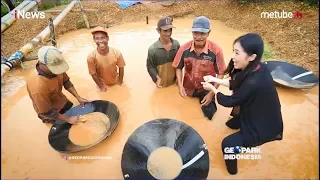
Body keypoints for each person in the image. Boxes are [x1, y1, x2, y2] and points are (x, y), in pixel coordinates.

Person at [201, 33, 284, 175]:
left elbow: (229, 101)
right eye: (233, 51)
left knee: (228, 145)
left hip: (264, 126)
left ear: (252, 57)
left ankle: (232, 172)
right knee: (230, 124)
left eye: (237, 53)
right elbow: (236, 83)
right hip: (256, 110)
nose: (232, 56)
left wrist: (213, 89)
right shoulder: (257, 67)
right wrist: (215, 79)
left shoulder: (254, 81)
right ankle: (240, 127)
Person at [172, 16, 226, 120]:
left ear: (208, 33)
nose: (199, 37)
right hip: (188, 88)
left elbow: (221, 73)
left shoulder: (216, 50)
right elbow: (178, 68)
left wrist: (211, 93)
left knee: (208, 115)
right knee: (180, 112)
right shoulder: (183, 49)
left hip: (206, 89)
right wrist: (180, 86)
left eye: (202, 33)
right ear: (192, 32)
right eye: (196, 33)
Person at [26, 46, 90, 124]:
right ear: (42, 64)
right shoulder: (38, 87)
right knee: (64, 128)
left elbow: (66, 82)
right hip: (48, 112)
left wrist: (78, 97)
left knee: (81, 119)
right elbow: (46, 112)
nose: (58, 71)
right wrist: (68, 119)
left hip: (61, 100)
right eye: (54, 68)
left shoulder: (57, 67)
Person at [87, 26, 126, 92]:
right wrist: (101, 87)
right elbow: (93, 74)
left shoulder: (117, 53)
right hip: (102, 84)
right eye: (97, 38)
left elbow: (121, 68)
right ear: (94, 40)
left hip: (116, 81)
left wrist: (120, 82)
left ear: (107, 38)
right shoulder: (91, 57)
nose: (100, 41)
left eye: (103, 38)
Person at [147, 16, 180, 88]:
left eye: (170, 30)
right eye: (165, 31)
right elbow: (150, 66)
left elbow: (179, 63)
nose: (168, 33)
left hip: (175, 83)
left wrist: (179, 78)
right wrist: (157, 78)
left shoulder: (176, 45)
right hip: (161, 84)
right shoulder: (152, 49)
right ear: (158, 31)